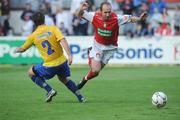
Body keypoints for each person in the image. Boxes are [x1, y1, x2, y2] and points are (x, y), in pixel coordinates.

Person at [14, 12, 86, 103]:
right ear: (44, 19)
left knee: (30, 73)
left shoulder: (33, 35)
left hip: (49, 65)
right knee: (64, 79)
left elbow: (22, 49)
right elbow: (62, 40)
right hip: (62, 62)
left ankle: (49, 90)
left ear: (34, 22)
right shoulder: (53, 29)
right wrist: (69, 55)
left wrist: (16, 50)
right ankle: (81, 97)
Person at [76, 2, 148, 89]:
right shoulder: (94, 16)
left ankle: (85, 79)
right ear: (100, 11)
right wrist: (81, 8)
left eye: (109, 12)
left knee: (96, 73)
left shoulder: (116, 18)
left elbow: (131, 18)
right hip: (98, 46)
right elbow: (78, 14)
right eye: (105, 12)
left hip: (111, 48)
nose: (107, 14)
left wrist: (140, 18)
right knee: (95, 69)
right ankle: (90, 53)